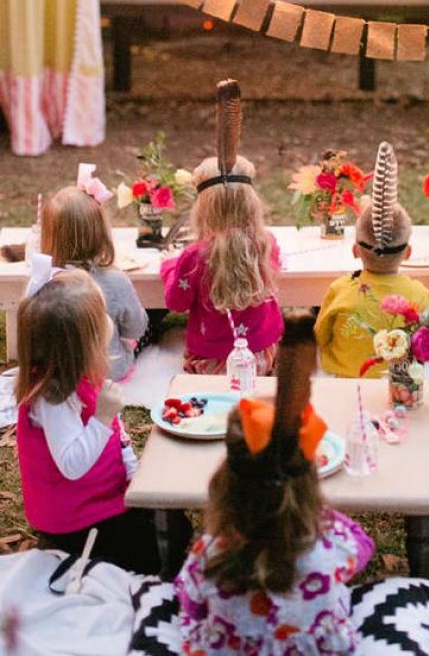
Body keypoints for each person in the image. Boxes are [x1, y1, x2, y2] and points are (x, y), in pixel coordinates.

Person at [175, 312, 374, 654]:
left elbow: (189, 603)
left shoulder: (208, 554)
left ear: (225, 487)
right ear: (308, 486)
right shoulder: (334, 547)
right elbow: (364, 545)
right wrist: (322, 515)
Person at [15, 265, 160, 573]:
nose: (110, 320)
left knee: (167, 520)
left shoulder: (77, 375)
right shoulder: (53, 398)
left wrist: (134, 474)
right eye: (102, 316)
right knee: (148, 554)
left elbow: (116, 435)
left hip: (101, 498)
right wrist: (102, 417)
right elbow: (71, 464)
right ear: (81, 341)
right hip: (75, 521)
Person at [315, 141, 429, 377]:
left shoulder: (340, 290)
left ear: (355, 251)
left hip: (341, 380)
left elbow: (320, 336)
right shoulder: (419, 294)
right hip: (397, 382)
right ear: (407, 253)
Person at [160, 155, 283, 374]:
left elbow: (176, 302)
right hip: (262, 356)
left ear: (204, 209)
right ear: (251, 203)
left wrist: (170, 265)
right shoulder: (267, 243)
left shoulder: (195, 256)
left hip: (211, 362)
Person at [41, 165, 148, 381]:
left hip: (57, 376)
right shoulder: (116, 280)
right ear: (101, 231)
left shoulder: (41, 280)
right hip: (109, 372)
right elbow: (135, 330)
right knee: (152, 320)